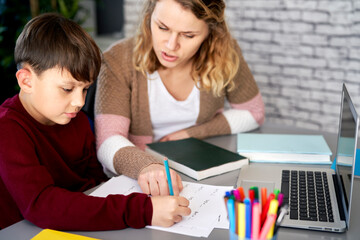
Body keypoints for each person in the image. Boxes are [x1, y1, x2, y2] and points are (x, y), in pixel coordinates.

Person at [0, 13, 191, 230]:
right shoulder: (7, 129)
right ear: (26, 81)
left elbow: (95, 184)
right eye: (67, 89)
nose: (79, 101)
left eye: (85, 89)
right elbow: (41, 205)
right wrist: (144, 210)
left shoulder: (77, 121)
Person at [95, 0, 265, 193]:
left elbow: (254, 112)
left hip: (203, 175)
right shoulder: (118, 59)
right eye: (162, 27)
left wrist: (189, 135)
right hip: (139, 180)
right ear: (149, 16)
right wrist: (147, 166)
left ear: (211, 32)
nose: (170, 45)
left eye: (188, 35)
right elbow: (108, 141)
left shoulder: (224, 53)